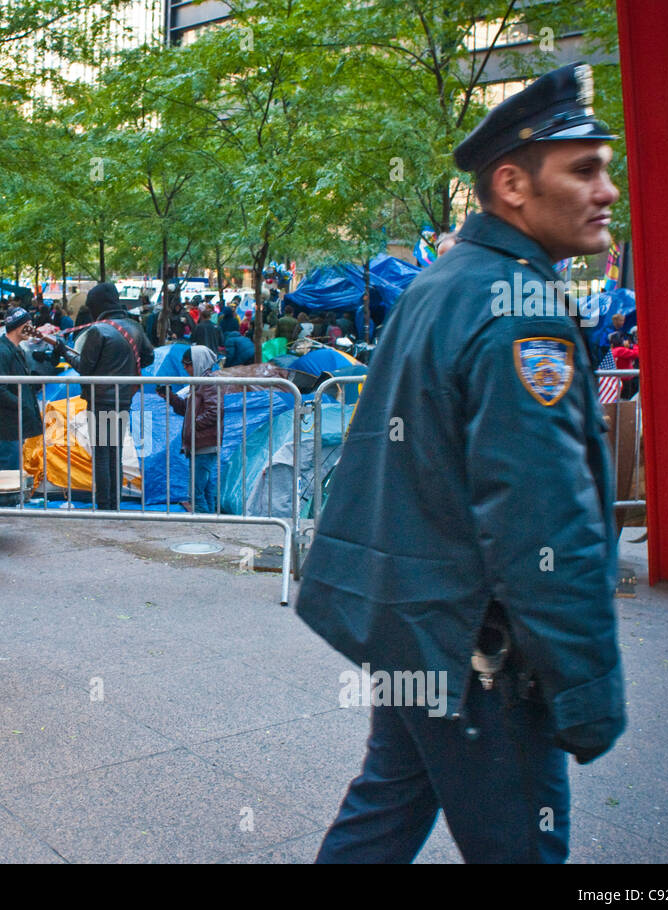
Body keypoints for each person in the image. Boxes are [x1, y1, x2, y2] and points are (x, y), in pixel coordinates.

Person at [297, 62, 625, 864]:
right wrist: (587, 690)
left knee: (387, 807)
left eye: (605, 168)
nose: (606, 189)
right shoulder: (519, 313)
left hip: (420, 621)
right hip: (480, 651)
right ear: (512, 184)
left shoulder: (443, 282)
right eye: (583, 169)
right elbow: (544, 518)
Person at [74, 282, 154, 509]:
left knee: (101, 453)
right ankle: (115, 503)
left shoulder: (98, 330)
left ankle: (104, 504)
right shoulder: (134, 327)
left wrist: (62, 350)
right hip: (123, 400)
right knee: (115, 451)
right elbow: (149, 357)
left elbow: (84, 368)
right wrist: (129, 368)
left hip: (99, 400)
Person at [0, 307, 44, 475]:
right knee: (8, 470)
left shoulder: (13, 350)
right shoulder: (2, 352)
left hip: (15, 422)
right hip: (9, 423)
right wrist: (21, 404)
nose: (32, 328)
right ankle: (5, 501)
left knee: (13, 468)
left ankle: (11, 500)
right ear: (19, 326)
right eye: (28, 324)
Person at [161, 345, 222, 513]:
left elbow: (214, 411)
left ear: (198, 362)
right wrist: (170, 397)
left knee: (196, 493)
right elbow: (187, 409)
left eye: (188, 364)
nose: (185, 368)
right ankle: (212, 521)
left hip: (204, 444)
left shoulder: (207, 383)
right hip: (201, 443)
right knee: (206, 488)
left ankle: (203, 524)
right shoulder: (198, 383)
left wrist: (193, 425)